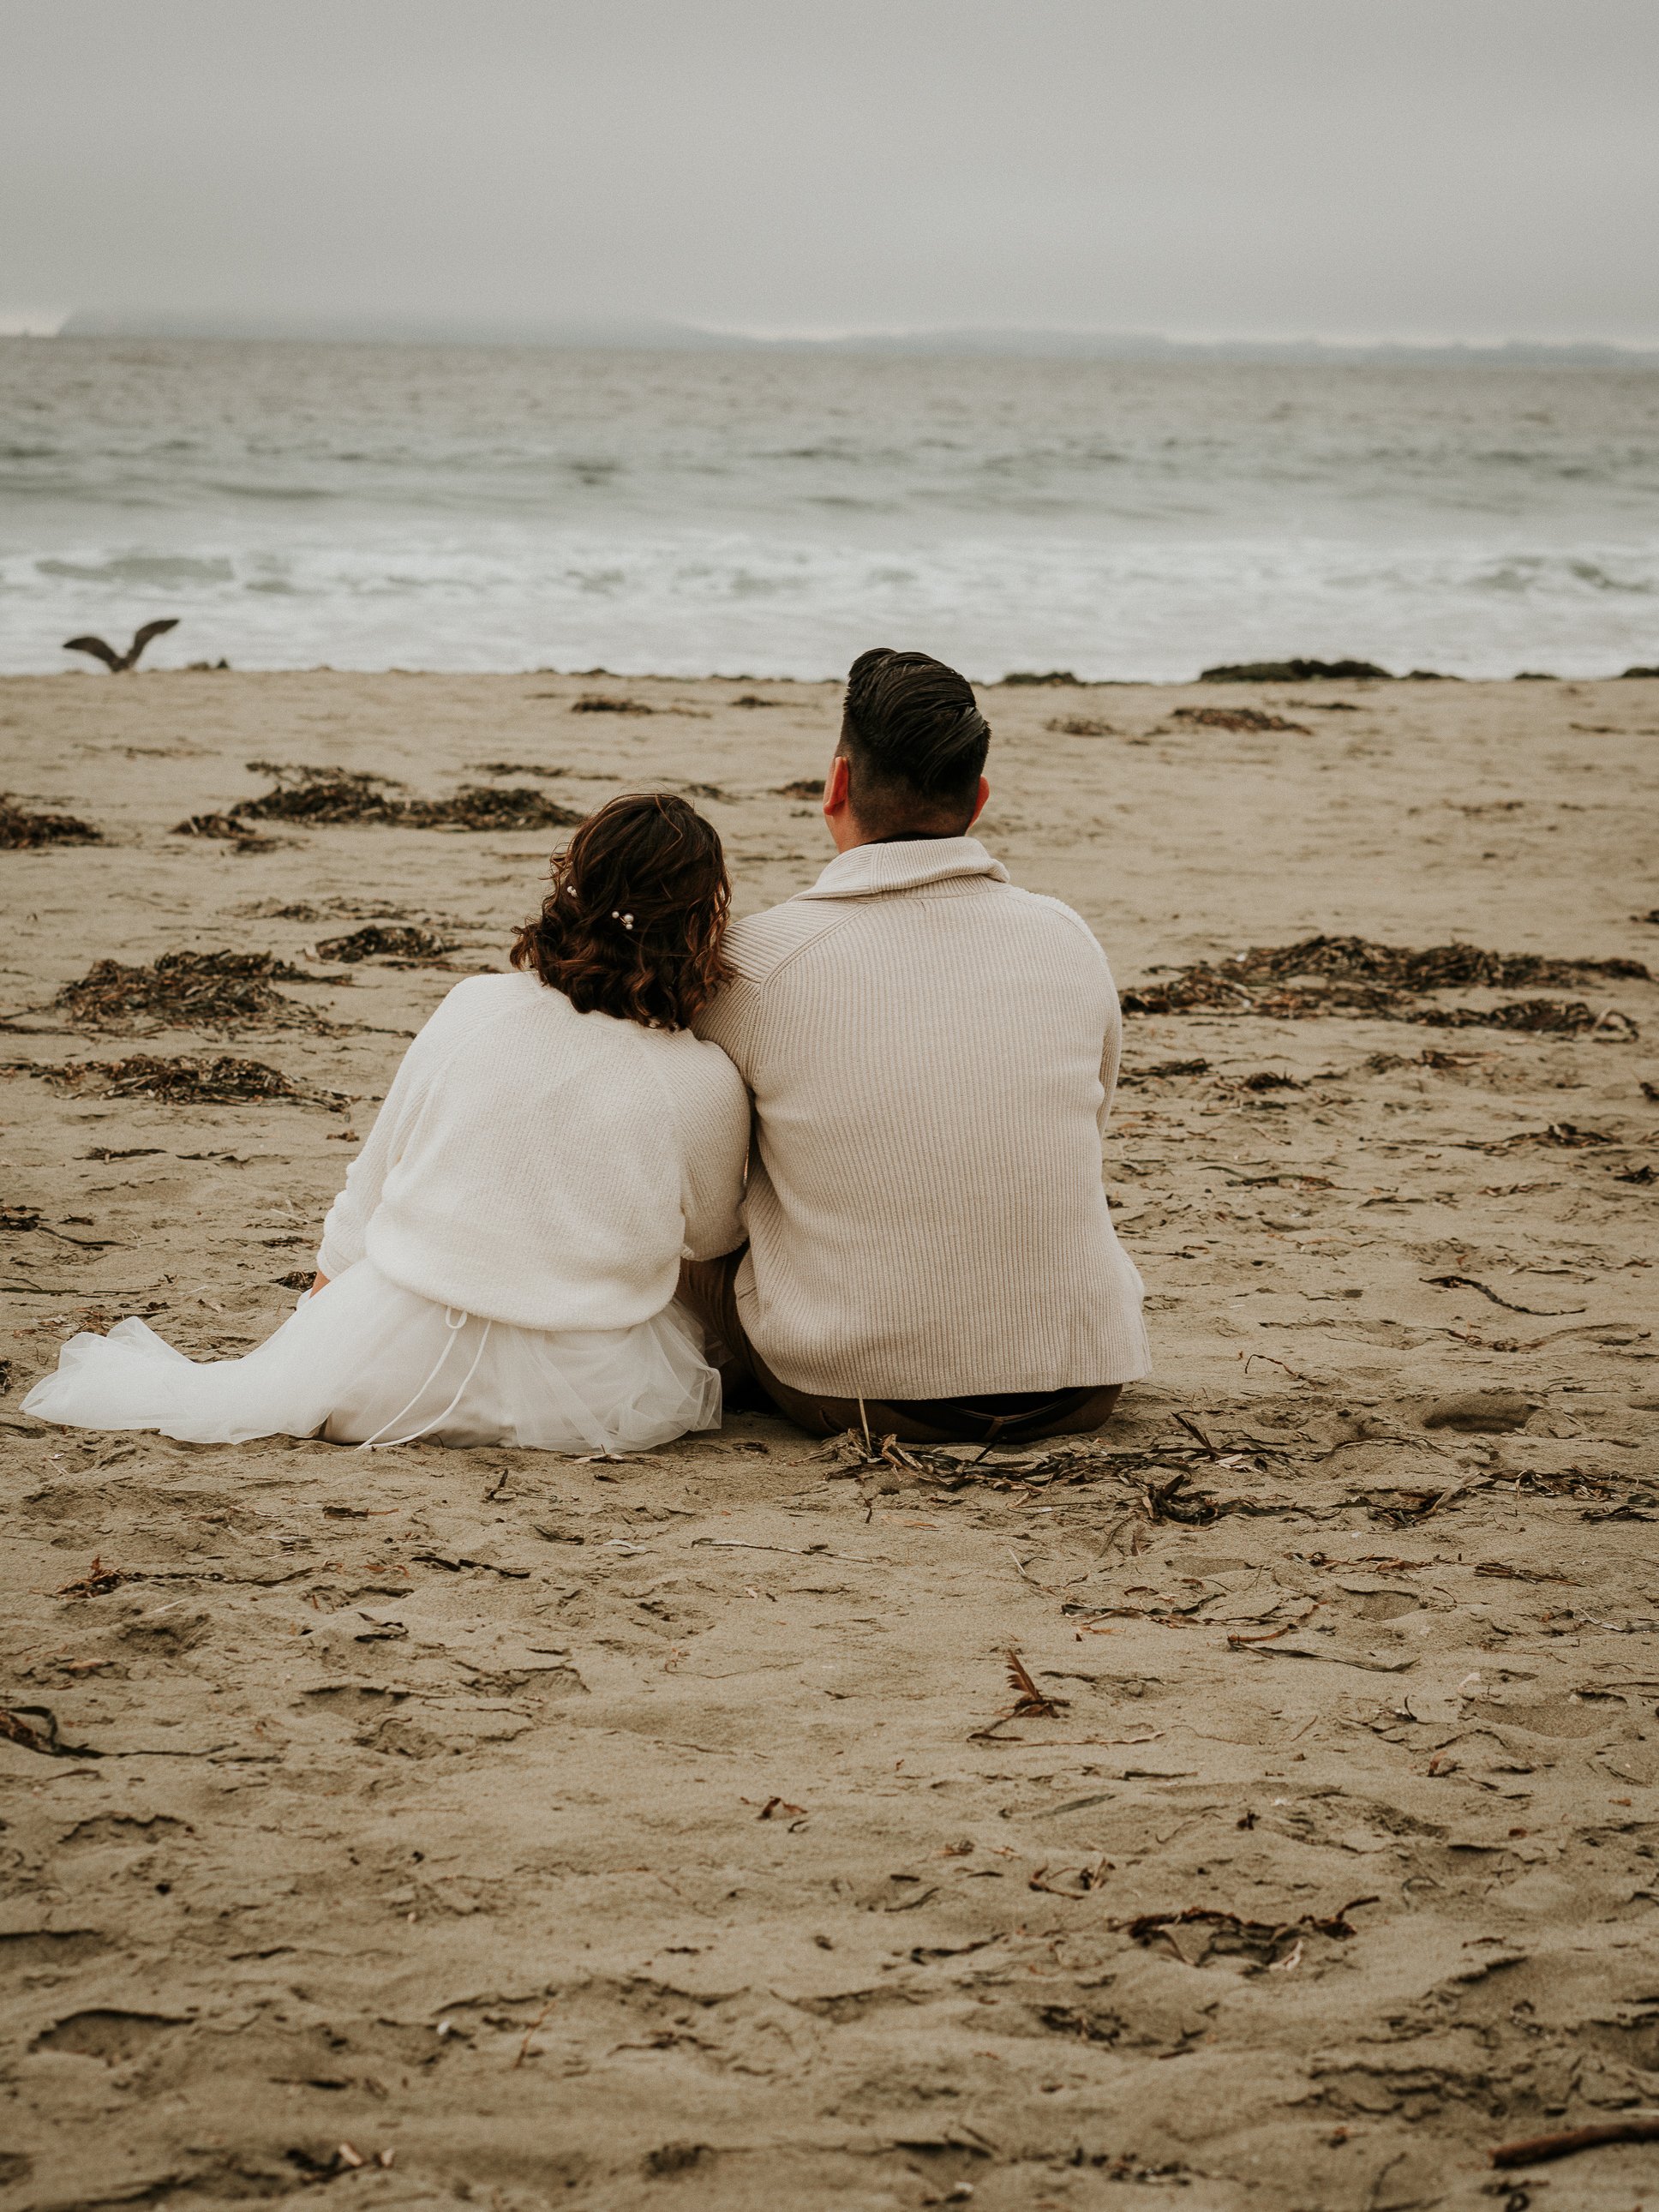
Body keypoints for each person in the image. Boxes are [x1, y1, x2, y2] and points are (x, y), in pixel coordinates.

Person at [24, 794, 750, 1455]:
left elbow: (368, 1185)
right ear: (698, 926)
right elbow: (715, 1237)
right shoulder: (702, 1076)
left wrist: (313, 1335)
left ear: (573, 889)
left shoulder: (473, 1006)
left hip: (396, 1374)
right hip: (590, 1399)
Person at [680, 647, 1150, 1444]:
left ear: (835, 786)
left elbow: (707, 1203)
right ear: (980, 798)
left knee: (688, 1235)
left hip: (867, 1392)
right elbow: (1087, 1120)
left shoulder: (757, 963)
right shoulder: (1066, 936)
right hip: (1082, 1381)